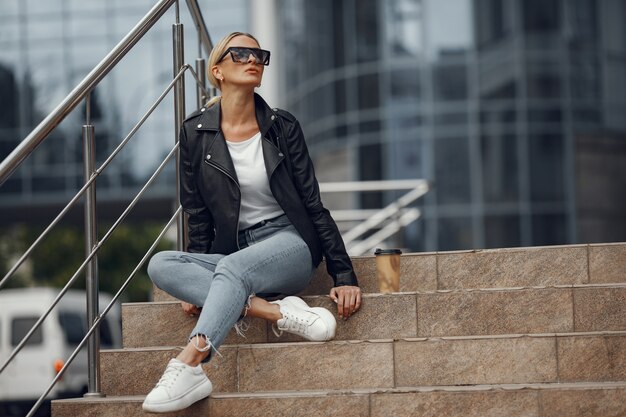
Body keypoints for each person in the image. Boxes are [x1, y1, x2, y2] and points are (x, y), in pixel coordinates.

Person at [141, 32, 362, 413]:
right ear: (217, 71)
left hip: (290, 243)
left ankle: (190, 363)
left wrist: (343, 275)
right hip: (239, 252)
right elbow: (198, 212)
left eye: (258, 54)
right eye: (240, 53)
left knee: (229, 268)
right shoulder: (195, 133)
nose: (252, 59)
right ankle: (277, 312)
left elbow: (312, 203)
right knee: (161, 264)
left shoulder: (282, 127)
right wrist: (200, 283)